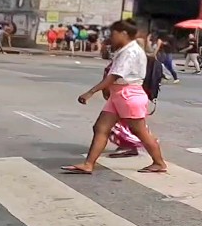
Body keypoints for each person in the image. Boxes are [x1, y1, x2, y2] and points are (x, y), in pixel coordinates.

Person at [61, 19, 167, 175]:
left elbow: (113, 76)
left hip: (129, 95)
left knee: (140, 131)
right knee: (100, 128)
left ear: (124, 33)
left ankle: (159, 163)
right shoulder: (125, 50)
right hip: (119, 95)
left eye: (113, 33)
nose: (111, 37)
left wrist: (91, 92)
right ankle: (88, 164)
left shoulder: (131, 52)